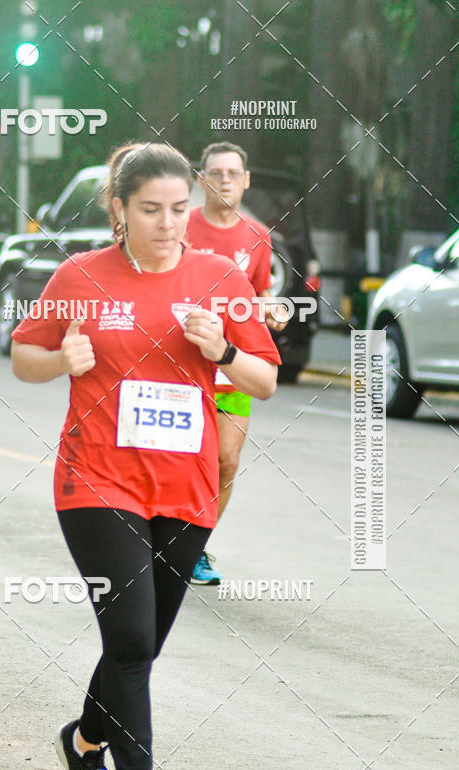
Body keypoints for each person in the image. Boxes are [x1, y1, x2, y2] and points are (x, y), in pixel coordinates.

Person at [10, 143, 281, 770]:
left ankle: (84, 741)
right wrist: (60, 360)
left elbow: (263, 380)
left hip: (186, 489)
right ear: (119, 209)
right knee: (130, 639)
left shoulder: (221, 278)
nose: (168, 224)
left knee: (139, 646)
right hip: (97, 482)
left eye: (179, 209)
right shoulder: (80, 275)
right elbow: (25, 354)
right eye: (151, 210)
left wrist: (224, 352)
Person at [186, 141, 287, 585]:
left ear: (246, 180)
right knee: (181, 458)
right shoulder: (181, 226)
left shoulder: (258, 236)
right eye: (216, 173)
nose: (224, 180)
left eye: (233, 173)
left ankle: (193, 548)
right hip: (183, 364)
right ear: (201, 179)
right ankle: (157, 536)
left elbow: (259, 295)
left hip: (232, 365)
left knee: (226, 461)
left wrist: (273, 309)